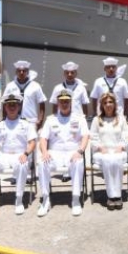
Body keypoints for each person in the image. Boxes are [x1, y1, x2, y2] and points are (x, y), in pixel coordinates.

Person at [37, 89, 90, 217]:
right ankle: (45, 199)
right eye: (62, 102)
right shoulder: (51, 120)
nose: (64, 104)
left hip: (73, 151)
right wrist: (44, 152)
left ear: (71, 102)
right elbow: (43, 138)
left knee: (78, 161)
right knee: (42, 162)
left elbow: (85, 136)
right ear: (58, 103)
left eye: (67, 101)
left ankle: (76, 199)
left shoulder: (79, 119)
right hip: (55, 152)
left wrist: (80, 151)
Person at [0, 93, 37, 216]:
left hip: (20, 154)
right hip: (4, 155)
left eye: (14, 105)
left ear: (19, 107)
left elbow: (32, 142)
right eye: (9, 105)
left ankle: (19, 200)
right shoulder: (0, 125)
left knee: (22, 165)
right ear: (5, 107)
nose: (12, 107)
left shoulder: (26, 124)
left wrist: (26, 153)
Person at [90, 92, 128, 210]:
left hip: (118, 151)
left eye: (110, 102)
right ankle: (112, 196)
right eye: (105, 102)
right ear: (101, 105)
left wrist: (121, 146)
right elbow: (93, 138)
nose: (108, 104)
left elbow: (126, 137)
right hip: (101, 152)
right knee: (108, 159)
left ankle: (117, 195)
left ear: (115, 104)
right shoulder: (96, 120)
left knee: (115, 159)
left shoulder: (121, 119)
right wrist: (100, 147)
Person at [2, 60, 46, 130]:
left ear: (27, 72)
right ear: (16, 72)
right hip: (14, 122)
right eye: (19, 71)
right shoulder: (10, 86)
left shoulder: (35, 86)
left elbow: (42, 104)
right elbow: (4, 103)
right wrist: (4, 119)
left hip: (31, 122)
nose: (21, 73)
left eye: (24, 71)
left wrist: (40, 121)